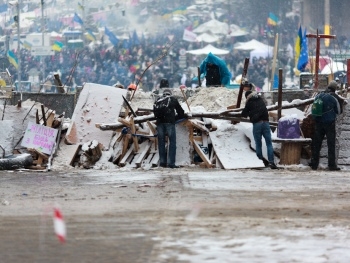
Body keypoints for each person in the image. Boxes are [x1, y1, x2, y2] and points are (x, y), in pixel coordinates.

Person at [309, 82, 342, 171]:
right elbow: (339, 111)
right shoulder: (334, 97)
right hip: (329, 123)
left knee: (317, 144)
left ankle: (314, 164)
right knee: (331, 144)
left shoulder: (319, 95)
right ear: (335, 88)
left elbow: (314, 108)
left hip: (318, 123)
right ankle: (331, 165)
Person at [241, 90, 277, 169]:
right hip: (266, 123)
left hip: (257, 124)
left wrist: (250, 113)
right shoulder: (260, 99)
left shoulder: (249, 102)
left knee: (258, 143)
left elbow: (243, 114)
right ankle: (271, 162)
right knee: (269, 143)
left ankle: (260, 161)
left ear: (247, 96)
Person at [154, 88, 185, 168]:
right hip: (169, 123)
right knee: (172, 143)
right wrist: (175, 118)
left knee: (161, 143)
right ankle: (171, 163)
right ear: (170, 93)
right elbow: (181, 112)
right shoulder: (172, 99)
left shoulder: (158, 100)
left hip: (160, 123)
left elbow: (155, 112)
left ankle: (162, 163)